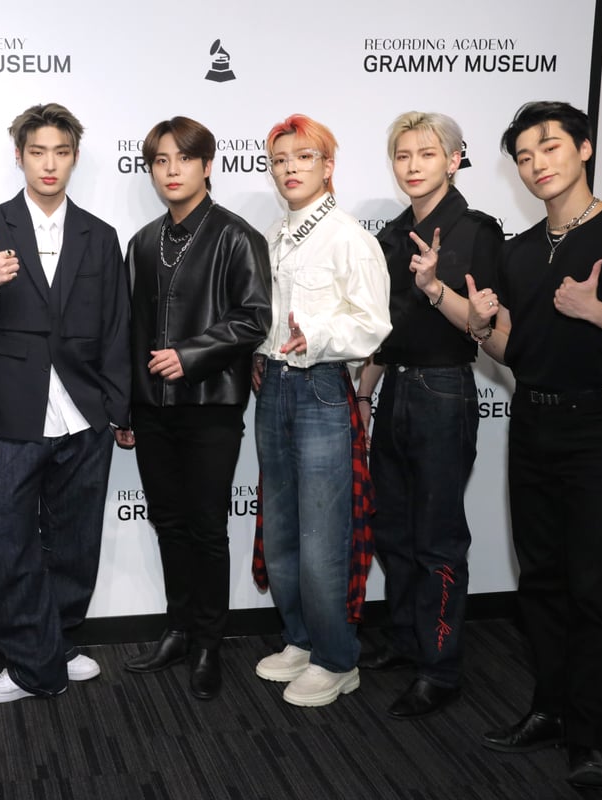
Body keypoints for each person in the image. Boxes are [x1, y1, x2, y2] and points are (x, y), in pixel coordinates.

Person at [469, 101, 602, 790]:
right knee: (540, 582)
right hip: (532, 422)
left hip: (596, 427)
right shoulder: (519, 251)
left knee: (592, 587)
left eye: (550, 146)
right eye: (524, 155)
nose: (537, 163)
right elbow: (518, 351)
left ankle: (588, 737)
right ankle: (548, 710)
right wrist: (482, 328)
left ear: (584, 148)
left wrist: (596, 310)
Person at [0, 102, 130, 703]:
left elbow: (117, 328)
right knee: (12, 543)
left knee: (76, 542)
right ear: (19, 156)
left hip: (84, 412)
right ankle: (29, 665)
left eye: (61, 152)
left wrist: (119, 409)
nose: (49, 164)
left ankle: (60, 643)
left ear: (74, 157)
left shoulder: (100, 236)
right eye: (37, 152)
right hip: (11, 409)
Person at [354, 112, 503, 719]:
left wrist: (436, 287)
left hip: (444, 388)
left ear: (454, 159)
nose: (413, 166)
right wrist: (363, 397)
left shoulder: (478, 230)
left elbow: (483, 327)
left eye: (426, 153)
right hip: (395, 388)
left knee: (438, 537)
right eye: (403, 155)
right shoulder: (391, 234)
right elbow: (384, 334)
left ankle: (440, 670)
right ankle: (407, 639)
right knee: (393, 529)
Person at [118, 116, 270, 700]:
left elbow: (253, 318)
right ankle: (178, 629)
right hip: (152, 409)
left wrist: (190, 355)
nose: (171, 170)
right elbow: (130, 331)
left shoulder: (236, 235)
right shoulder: (142, 241)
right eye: (160, 160)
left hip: (211, 405)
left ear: (207, 166)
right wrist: (127, 406)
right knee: (169, 523)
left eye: (183, 158)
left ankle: (209, 641)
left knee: (206, 527)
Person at [252, 114, 391, 707]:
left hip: (322, 389)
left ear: (327, 166)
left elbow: (374, 325)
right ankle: (302, 639)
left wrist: (317, 336)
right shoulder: (274, 235)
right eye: (280, 160)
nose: (290, 169)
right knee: (280, 526)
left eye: (303, 157)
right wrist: (259, 352)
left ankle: (337, 659)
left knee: (322, 534)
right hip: (274, 387)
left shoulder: (350, 238)